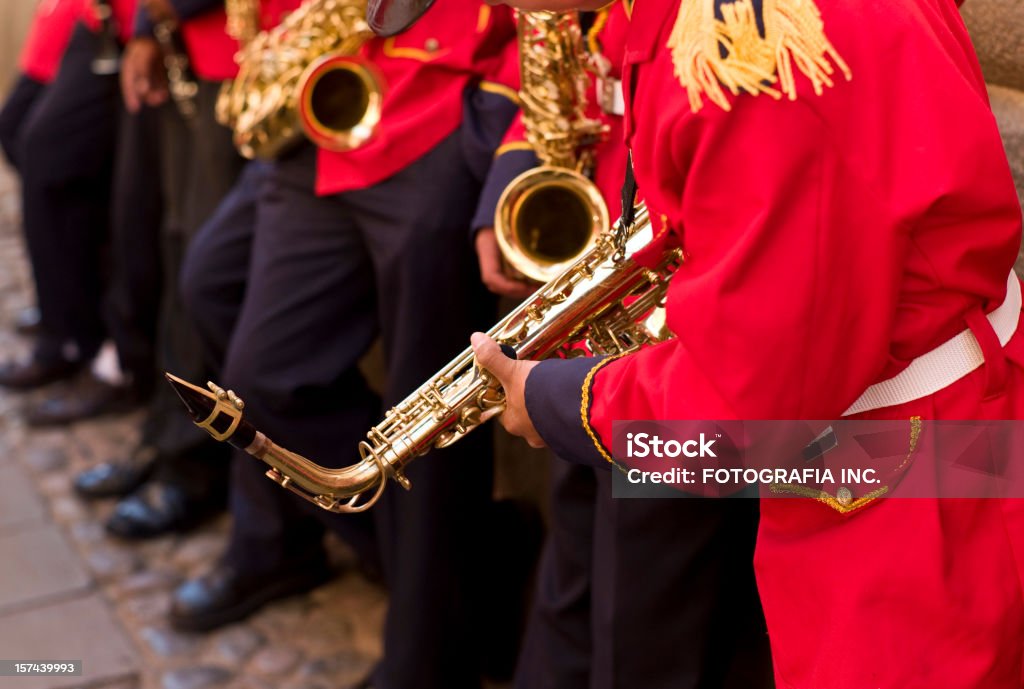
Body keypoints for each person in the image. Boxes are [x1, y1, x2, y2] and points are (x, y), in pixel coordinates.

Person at [453, 0, 1024, 687]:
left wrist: (569, 403)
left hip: (899, 472)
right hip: (910, 433)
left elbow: (748, 418)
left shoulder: (741, 54)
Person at [174, 2, 528, 687]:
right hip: (337, 96)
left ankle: (426, 657)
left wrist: (507, 154)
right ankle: (462, 560)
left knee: (429, 420)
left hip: (446, 105)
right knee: (262, 372)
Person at [471, 5, 772, 688]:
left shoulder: (728, 36)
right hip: (613, 329)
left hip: (677, 359)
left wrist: (575, 401)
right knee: (576, 584)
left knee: (641, 626)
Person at [72, 0, 246, 538]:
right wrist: (150, 27)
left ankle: (195, 467)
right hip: (188, 46)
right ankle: (166, 437)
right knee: (174, 251)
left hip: (242, 57)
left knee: (203, 266)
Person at [0, 0, 136, 391]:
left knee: (50, 162)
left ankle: (72, 332)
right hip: (84, 18)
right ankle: (66, 310)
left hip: (124, 23)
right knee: (20, 136)